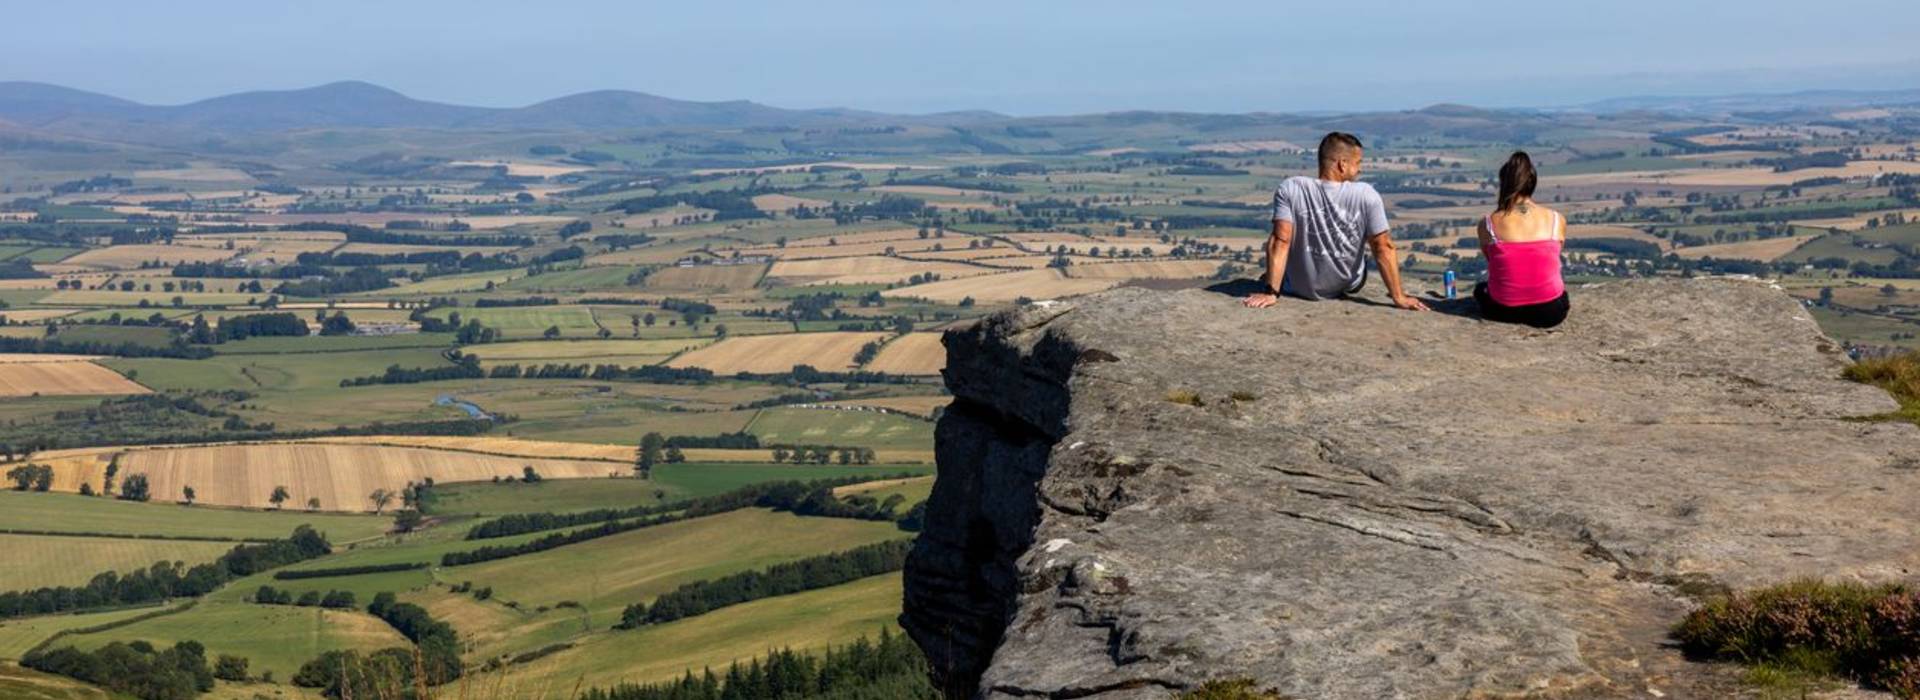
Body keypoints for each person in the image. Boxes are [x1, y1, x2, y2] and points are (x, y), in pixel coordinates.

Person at [1244, 132, 1427, 311]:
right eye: (1358, 163)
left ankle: (1272, 279)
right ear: (1342, 164)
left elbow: (1280, 241)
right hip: (1347, 283)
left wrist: (1270, 293)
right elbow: (1383, 246)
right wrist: (1399, 297)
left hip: (1298, 287)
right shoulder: (1366, 194)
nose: (1360, 169)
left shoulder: (1291, 188)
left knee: (1281, 238)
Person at [1473, 151, 1569, 328]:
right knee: (1562, 295)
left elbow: (1492, 261)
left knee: (1480, 290)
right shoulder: (1557, 220)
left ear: (1504, 184)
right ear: (1533, 183)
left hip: (1502, 309)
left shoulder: (1488, 224)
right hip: (1550, 312)